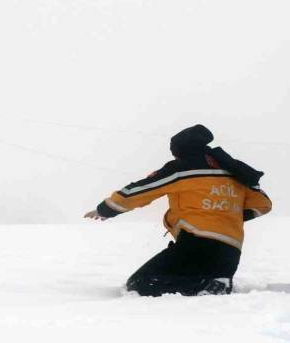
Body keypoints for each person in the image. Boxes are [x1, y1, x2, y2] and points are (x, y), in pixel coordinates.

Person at [85, 124, 272, 296]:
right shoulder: (234, 172)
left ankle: (204, 286)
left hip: (196, 244)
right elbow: (263, 204)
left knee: (139, 284)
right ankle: (216, 283)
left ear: (180, 150)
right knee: (194, 276)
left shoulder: (182, 169)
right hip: (230, 253)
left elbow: (141, 190)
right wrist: (227, 214)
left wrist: (106, 209)